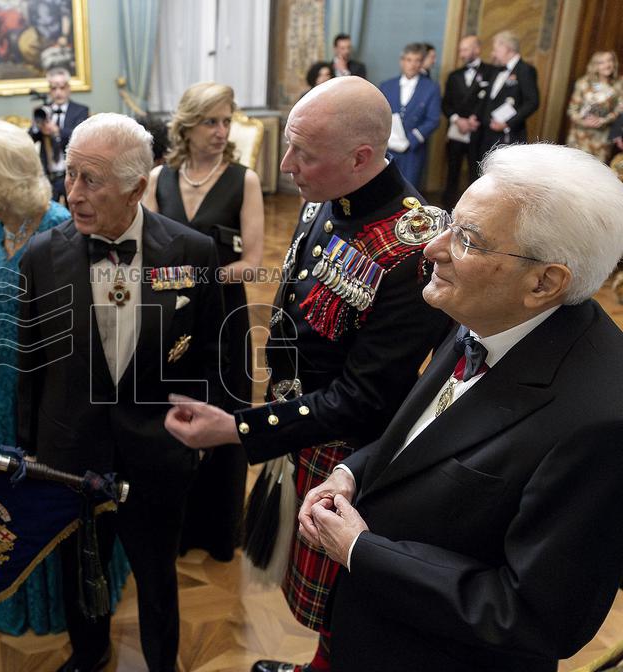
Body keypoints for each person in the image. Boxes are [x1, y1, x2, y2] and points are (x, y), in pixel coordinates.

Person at [298, 142, 623, 672]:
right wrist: (350, 474)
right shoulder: (484, 306)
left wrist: (362, 551)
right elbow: (430, 435)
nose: (433, 248)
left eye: (468, 239)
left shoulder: (602, 423)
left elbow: (536, 615)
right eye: (451, 223)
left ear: (544, 283)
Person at [163, 76, 451, 672]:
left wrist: (241, 427)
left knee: (348, 597)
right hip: (298, 418)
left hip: (351, 448)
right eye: (289, 146)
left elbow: (366, 396)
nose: (286, 165)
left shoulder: (413, 245)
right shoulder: (323, 192)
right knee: (312, 594)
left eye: (304, 154)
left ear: (361, 158)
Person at [17, 113, 225, 672]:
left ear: (137, 186)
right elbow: (29, 365)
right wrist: (28, 452)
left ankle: (162, 661)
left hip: (157, 453)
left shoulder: (193, 251)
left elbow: (212, 356)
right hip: (69, 452)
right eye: (70, 174)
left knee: (158, 576)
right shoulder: (40, 255)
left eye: (92, 180)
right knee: (77, 569)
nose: (73, 193)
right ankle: (89, 654)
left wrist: (199, 440)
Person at [0, 120, 129, 636]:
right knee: (11, 492)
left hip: (54, 393)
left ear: (0, 180)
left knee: (51, 495)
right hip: (4, 385)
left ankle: (62, 608)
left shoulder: (64, 227)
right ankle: (20, 597)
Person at [143, 82, 264, 561]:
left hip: (226, 318)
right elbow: (145, 254)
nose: (222, 131)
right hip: (170, 321)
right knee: (172, 414)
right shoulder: (159, 178)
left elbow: (253, 262)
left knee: (225, 415)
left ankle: (219, 531)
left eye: (227, 121)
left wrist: (192, 275)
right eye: (211, 121)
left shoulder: (244, 179)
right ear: (187, 126)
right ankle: (174, 525)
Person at [441, 35, 498, 210]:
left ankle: (474, 210)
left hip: (479, 132)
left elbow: (493, 101)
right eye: (460, 50)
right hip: (457, 131)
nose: (461, 53)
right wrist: (458, 120)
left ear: (477, 49)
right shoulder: (454, 76)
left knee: (477, 172)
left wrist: (476, 120)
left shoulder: (492, 72)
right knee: (453, 171)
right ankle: (448, 210)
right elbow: (446, 104)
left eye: (465, 49)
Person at [379, 43, 441, 189]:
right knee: (384, 188)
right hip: (387, 147)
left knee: (409, 190)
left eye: (417, 60)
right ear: (402, 61)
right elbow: (378, 114)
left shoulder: (431, 87)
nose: (412, 65)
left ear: (421, 63)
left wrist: (411, 140)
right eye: (408, 60)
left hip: (413, 150)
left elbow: (433, 119)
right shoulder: (386, 86)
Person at [29, 66, 90, 203]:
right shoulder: (42, 110)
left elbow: (81, 137)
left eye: (62, 88)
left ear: (69, 88)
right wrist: (37, 126)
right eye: (53, 88)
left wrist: (57, 131)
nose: (58, 93)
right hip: (48, 174)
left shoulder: (80, 110)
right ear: (49, 90)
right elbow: (30, 138)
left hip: (72, 173)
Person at [477, 30, 539, 151]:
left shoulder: (525, 70)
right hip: (487, 134)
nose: (493, 54)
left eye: (496, 50)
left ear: (508, 48)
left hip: (509, 135)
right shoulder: (497, 70)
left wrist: (507, 123)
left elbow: (532, 102)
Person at [566, 51, 623, 163]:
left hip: (602, 142)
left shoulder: (619, 84)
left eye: (610, 61)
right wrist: (583, 122)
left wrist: (604, 120)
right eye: (601, 62)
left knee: (595, 176)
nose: (607, 65)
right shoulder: (583, 83)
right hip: (579, 138)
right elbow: (572, 110)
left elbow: (620, 110)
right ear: (595, 66)